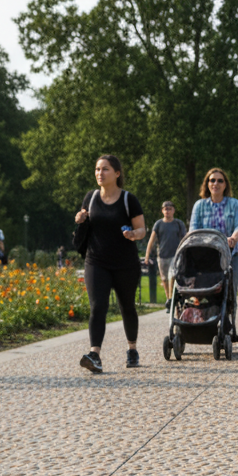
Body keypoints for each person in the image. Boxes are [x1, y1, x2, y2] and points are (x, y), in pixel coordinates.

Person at [74, 154, 146, 373]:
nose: (99, 173)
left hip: (125, 263)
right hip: (96, 261)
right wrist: (80, 219)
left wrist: (133, 234)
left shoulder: (128, 199)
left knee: (127, 307)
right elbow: (85, 221)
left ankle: (132, 348)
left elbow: (143, 229)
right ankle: (95, 354)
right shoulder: (91, 197)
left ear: (117, 173)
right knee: (98, 306)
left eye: (105, 169)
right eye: (97, 169)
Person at [190, 167, 238, 300]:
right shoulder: (199, 205)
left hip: (231, 255)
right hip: (206, 257)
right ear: (207, 184)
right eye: (212, 180)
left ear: (225, 184)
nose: (216, 184)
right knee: (207, 293)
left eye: (220, 181)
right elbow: (193, 230)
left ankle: (227, 319)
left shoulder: (234, 204)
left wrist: (233, 237)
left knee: (229, 296)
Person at [144, 200, 186, 302]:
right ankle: (168, 298)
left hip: (175, 255)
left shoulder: (178, 223)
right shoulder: (158, 224)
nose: (167, 211)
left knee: (172, 276)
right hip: (162, 255)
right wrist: (147, 255)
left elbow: (184, 239)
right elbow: (152, 240)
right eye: (165, 209)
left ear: (173, 211)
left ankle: (172, 298)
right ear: (162, 211)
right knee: (164, 279)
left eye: (170, 209)